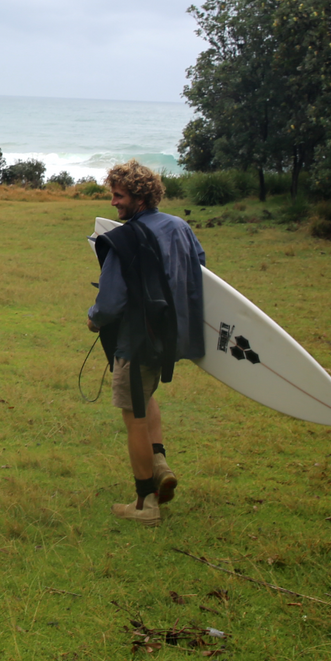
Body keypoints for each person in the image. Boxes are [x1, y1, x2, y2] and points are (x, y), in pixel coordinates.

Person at [86, 160, 205, 527]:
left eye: (118, 196)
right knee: (146, 396)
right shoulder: (180, 227)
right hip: (172, 338)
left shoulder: (124, 239)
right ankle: (160, 465)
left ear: (138, 197)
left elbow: (109, 304)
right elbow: (198, 265)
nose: (113, 203)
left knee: (133, 416)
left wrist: (93, 319)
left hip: (137, 340)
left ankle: (145, 504)